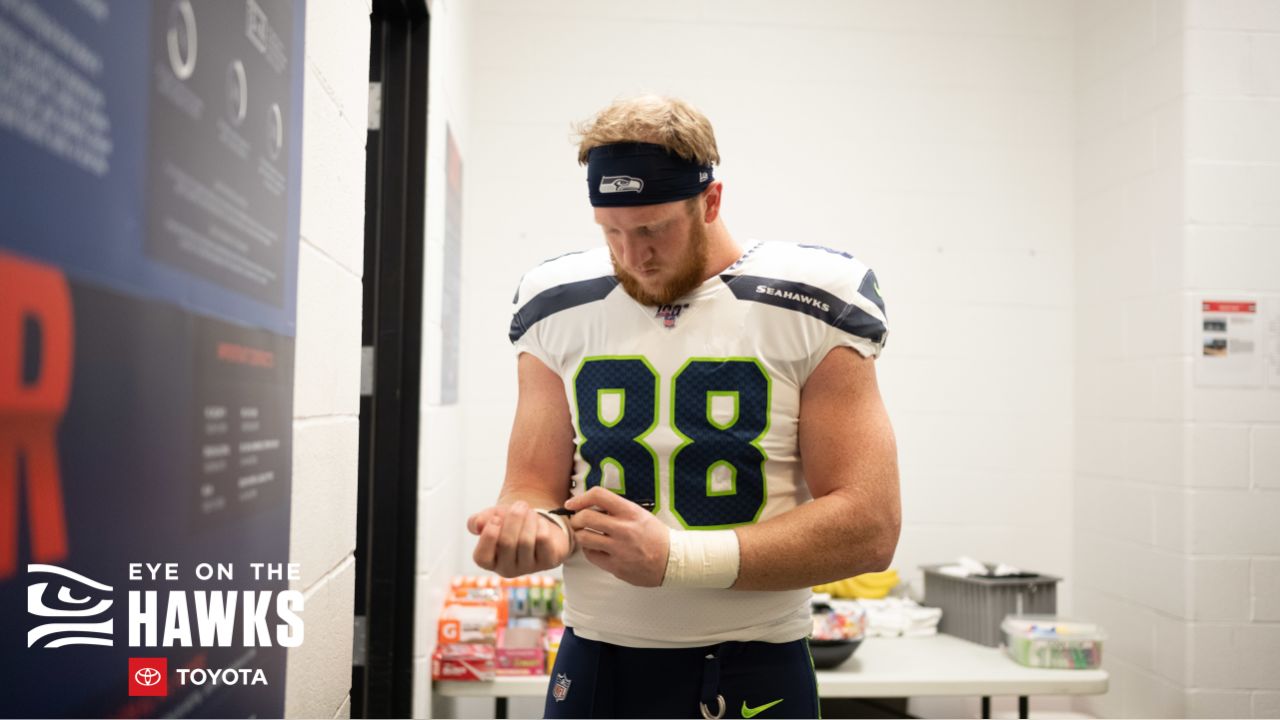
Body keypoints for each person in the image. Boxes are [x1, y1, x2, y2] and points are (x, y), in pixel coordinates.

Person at [467, 95, 900, 719]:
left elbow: (870, 526)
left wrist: (676, 560)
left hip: (753, 662)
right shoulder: (553, 301)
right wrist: (529, 530)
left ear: (711, 202)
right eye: (610, 232)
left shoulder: (814, 297)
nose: (631, 257)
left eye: (652, 229)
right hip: (594, 658)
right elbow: (533, 485)